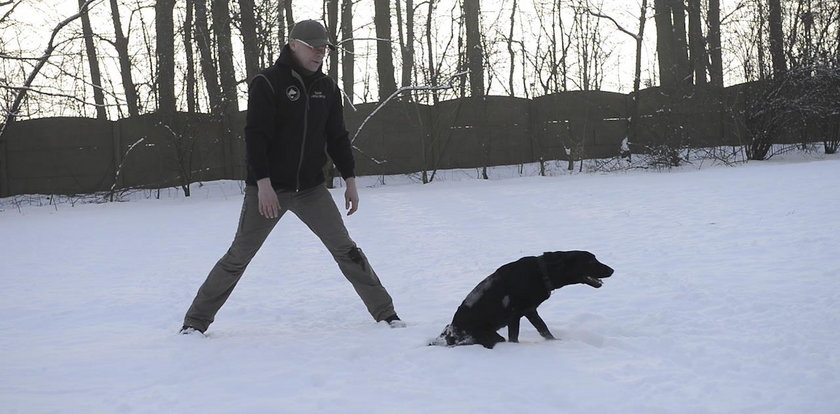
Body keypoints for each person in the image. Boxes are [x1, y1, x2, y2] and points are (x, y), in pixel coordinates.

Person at [180, 20, 403, 335]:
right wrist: (263, 184)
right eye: (314, 46)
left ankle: (387, 314)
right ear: (293, 44)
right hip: (268, 189)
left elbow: (337, 137)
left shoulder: (327, 88)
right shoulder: (267, 83)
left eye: (324, 47)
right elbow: (255, 137)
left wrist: (350, 179)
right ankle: (195, 322)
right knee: (238, 256)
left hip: (311, 190)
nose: (320, 52)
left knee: (347, 250)